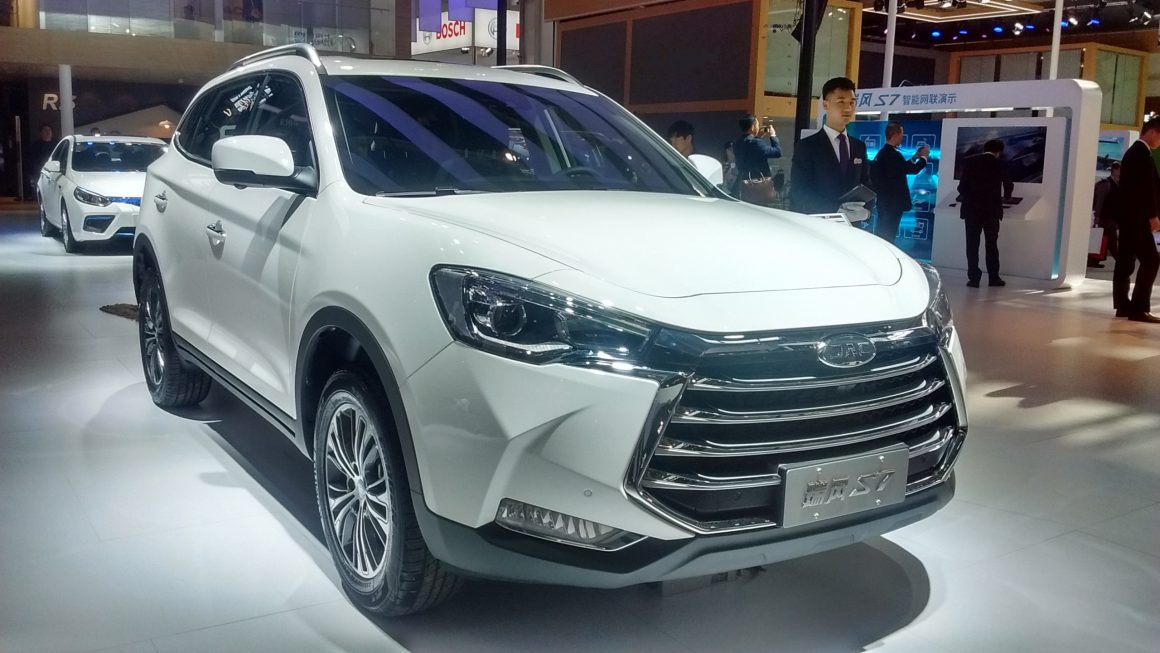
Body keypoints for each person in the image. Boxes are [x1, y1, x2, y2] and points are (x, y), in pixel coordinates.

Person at [790, 77, 872, 215]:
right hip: (820, 221)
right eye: (841, 102)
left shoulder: (858, 146)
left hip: (853, 223)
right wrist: (835, 210)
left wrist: (868, 211)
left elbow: (867, 184)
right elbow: (799, 191)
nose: (848, 108)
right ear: (825, 105)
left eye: (852, 102)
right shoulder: (807, 146)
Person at [1112, 119, 1160, 323]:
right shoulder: (1141, 154)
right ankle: (1139, 308)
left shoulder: (1133, 153)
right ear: (1152, 132)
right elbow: (1144, 189)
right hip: (1137, 219)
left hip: (1128, 218)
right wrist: (1152, 215)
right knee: (1151, 260)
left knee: (1125, 261)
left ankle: (1123, 305)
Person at [958, 139, 1013, 288]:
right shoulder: (1000, 163)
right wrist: (1007, 196)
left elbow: (961, 187)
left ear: (984, 149)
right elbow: (1008, 184)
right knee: (991, 244)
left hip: (971, 210)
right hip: (991, 210)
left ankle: (974, 279)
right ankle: (994, 278)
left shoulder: (970, 163)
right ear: (998, 151)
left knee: (972, 244)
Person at [871, 122, 929, 242]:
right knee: (888, 234)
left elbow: (901, 168)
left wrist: (914, 157)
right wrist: (924, 157)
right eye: (902, 134)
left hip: (885, 202)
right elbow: (912, 170)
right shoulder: (892, 154)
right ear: (896, 135)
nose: (903, 137)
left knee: (883, 232)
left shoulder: (883, 153)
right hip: (893, 204)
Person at [731, 114, 782, 203]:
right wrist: (773, 136)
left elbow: (750, 151)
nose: (758, 127)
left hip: (744, 185)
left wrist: (757, 137)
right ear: (753, 127)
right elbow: (777, 152)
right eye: (757, 125)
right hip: (759, 185)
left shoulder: (737, 143)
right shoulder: (756, 143)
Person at [1090, 161, 1121, 267]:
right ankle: (1120, 261)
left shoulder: (1117, 184)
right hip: (1105, 218)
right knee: (1111, 240)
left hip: (1111, 217)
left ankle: (1094, 260)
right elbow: (1100, 201)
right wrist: (1097, 216)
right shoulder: (1106, 184)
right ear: (1114, 170)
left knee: (1103, 239)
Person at [27, 123, 56, 195]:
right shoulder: (36, 145)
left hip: (53, 169)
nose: (48, 132)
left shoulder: (56, 144)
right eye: (45, 130)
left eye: (49, 130)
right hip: (39, 170)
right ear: (41, 133)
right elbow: (32, 159)